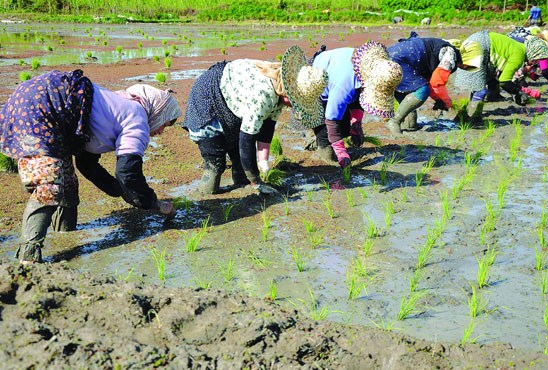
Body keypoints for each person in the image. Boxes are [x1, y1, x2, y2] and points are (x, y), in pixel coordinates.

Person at [0, 70, 182, 264]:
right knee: (49, 184)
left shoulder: (113, 109)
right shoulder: (137, 117)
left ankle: (65, 235)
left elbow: (87, 164)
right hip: (41, 105)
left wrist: (119, 190)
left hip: (39, 101)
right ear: (158, 111)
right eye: (165, 123)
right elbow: (128, 173)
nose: (162, 131)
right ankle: (28, 255)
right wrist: (155, 204)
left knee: (67, 181)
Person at [182, 45, 328, 195]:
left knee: (239, 159)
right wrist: (257, 182)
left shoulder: (280, 89)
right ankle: (207, 200)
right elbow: (247, 139)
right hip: (206, 99)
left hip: (232, 102)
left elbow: (267, 127)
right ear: (288, 93)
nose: (296, 106)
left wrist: (263, 161)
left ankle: (242, 183)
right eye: (297, 101)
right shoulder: (263, 96)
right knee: (215, 163)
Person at [303, 41, 402, 168]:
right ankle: (318, 145)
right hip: (314, 82)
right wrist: (341, 153)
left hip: (340, 73)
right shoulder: (343, 86)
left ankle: (332, 141)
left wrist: (356, 124)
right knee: (326, 133)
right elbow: (332, 120)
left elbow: (359, 95)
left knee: (345, 127)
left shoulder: (372, 68)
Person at [453, 31, 548, 125]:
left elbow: (501, 75)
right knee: (479, 89)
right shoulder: (519, 55)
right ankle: (472, 118)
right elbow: (504, 81)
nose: (536, 62)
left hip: (476, 40)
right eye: (537, 59)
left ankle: (463, 116)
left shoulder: (518, 47)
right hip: (479, 47)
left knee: (476, 83)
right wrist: (518, 92)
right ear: (534, 53)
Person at [385, 32, 464, 134]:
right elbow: (436, 83)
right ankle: (394, 121)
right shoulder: (451, 53)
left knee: (411, 90)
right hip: (398, 60)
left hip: (389, 56)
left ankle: (410, 125)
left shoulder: (435, 47)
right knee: (422, 90)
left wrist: (438, 99)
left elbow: (430, 82)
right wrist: (444, 101)